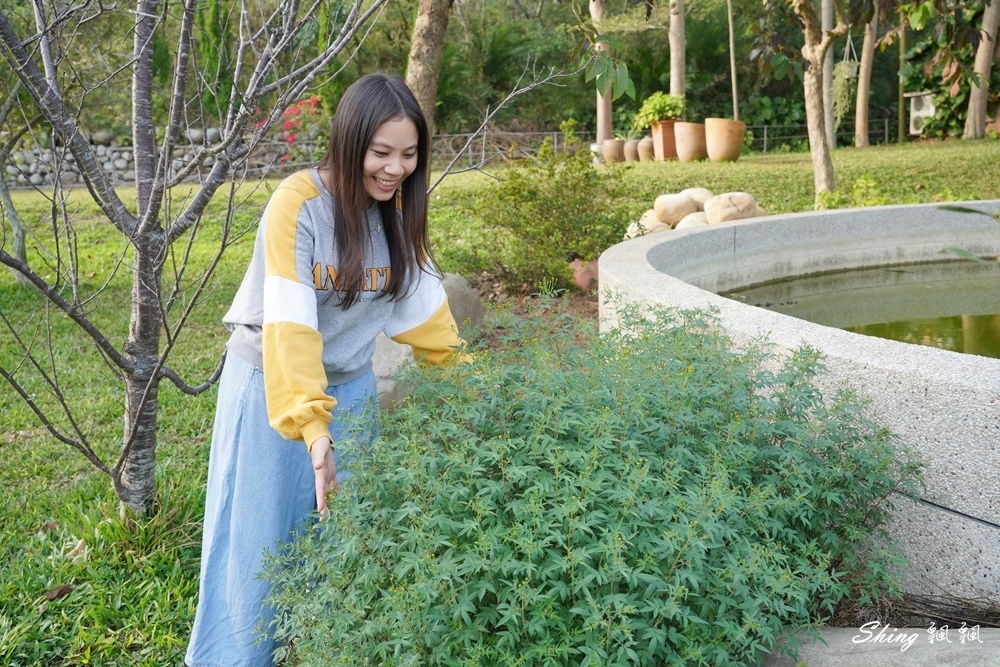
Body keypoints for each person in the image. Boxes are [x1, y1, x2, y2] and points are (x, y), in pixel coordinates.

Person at [185, 72, 470, 667]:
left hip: (352, 393)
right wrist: (315, 434)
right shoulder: (300, 203)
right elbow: (289, 326)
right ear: (349, 142)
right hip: (272, 387)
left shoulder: (398, 217)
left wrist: (474, 400)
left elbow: (433, 328)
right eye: (381, 153)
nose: (396, 169)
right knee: (255, 554)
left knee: (341, 550)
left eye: (410, 155)